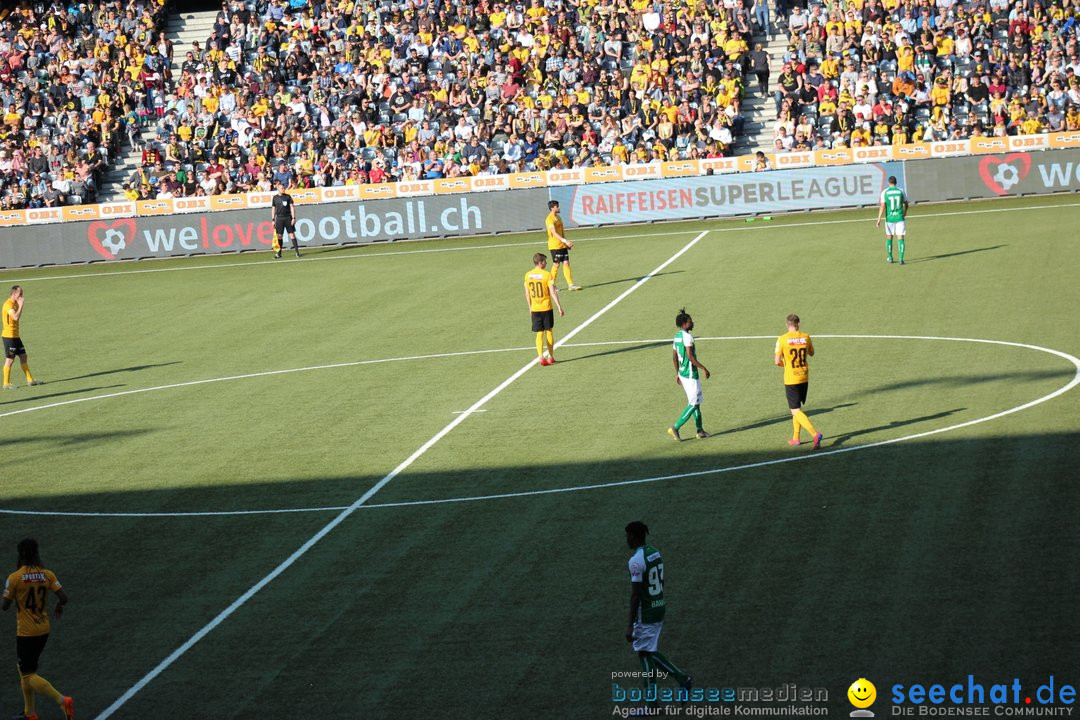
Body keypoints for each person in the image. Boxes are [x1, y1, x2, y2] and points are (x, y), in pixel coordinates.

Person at [2, 538, 74, 720]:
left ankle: (62, 701)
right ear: (36, 553)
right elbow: (64, 597)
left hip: (26, 632)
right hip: (43, 629)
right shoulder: (47, 574)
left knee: (28, 675)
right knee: (24, 669)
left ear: (20, 554)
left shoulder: (15, 577)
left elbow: (5, 606)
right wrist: (59, 605)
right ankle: (30, 713)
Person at [624, 521, 693, 699]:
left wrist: (630, 625)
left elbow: (635, 596)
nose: (627, 540)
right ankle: (682, 678)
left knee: (644, 654)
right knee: (649, 650)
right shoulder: (654, 552)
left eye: (629, 536)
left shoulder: (635, 561)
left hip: (646, 613)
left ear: (635, 536)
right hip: (659, 606)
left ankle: (653, 704)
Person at [774, 314, 822, 448]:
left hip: (791, 378)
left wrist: (787, 365)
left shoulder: (782, 339)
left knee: (795, 410)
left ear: (786, 324)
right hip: (804, 376)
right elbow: (811, 353)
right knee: (797, 408)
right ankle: (796, 437)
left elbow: (777, 361)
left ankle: (814, 434)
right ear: (798, 324)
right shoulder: (806, 337)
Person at [668, 309, 710, 441]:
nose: (693, 322)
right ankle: (675, 427)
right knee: (693, 403)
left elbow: (674, 357)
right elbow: (690, 356)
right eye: (690, 321)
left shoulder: (677, 336)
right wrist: (704, 368)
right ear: (685, 324)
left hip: (683, 374)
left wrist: (677, 373)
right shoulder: (688, 337)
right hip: (691, 374)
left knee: (695, 402)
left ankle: (700, 430)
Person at [523, 253, 564, 365]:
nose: (546, 263)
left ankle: (541, 357)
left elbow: (527, 294)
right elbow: (553, 292)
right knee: (549, 331)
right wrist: (559, 306)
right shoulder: (547, 274)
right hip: (546, 307)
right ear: (540, 262)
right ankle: (550, 356)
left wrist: (530, 307)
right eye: (545, 261)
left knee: (539, 333)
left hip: (535, 309)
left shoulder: (528, 275)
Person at [3, 286, 43, 390]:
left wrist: (19, 305)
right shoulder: (8, 305)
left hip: (16, 336)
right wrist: (21, 305)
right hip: (9, 336)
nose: (22, 296)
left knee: (23, 356)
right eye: (20, 294)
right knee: (10, 359)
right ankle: (6, 383)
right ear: (14, 294)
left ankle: (30, 380)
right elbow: (15, 317)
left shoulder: (15, 303)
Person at [545, 201, 580, 291]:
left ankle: (570, 284)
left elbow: (561, 231)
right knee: (556, 265)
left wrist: (565, 243)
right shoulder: (549, 219)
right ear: (552, 208)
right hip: (555, 246)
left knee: (566, 263)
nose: (559, 208)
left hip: (562, 245)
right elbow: (554, 233)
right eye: (557, 206)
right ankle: (551, 285)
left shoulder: (558, 217)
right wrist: (565, 241)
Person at [876, 175, 909, 264]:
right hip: (899, 218)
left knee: (889, 237)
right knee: (900, 237)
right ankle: (901, 259)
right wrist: (905, 212)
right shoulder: (901, 191)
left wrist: (879, 219)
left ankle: (890, 257)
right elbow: (906, 203)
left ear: (888, 183)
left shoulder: (884, 192)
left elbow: (882, 206)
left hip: (889, 218)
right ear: (896, 182)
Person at [271, 181, 300, 258]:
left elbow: (292, 207)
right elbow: (273, 208)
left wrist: (293, 218)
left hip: (288, 218)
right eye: (282, 188)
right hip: (279, 219)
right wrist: (273, 219)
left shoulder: (288, 197)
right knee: (279, 236)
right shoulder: (275, 198)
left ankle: (297, 252)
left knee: (292, 235)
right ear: (278, 189)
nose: (283, 189)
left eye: (284, 188)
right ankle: (279, 253)